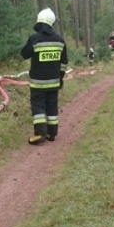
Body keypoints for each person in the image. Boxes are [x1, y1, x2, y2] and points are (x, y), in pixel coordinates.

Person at [20, 8, 68, 145]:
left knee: (38, 107)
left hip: (38, 84)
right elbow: (64, 62)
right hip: (54, 83)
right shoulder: (60, 40)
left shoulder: (34, 39)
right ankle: (51, 134)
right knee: (52, 106)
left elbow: (24, 54)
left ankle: (40, 133)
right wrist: (60, 77)